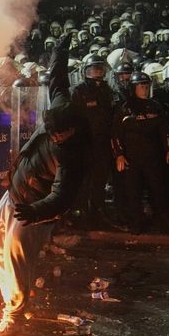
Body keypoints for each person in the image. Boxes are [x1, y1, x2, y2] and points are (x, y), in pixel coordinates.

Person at [0, 39, 83, 325]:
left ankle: (14, 313)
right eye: (48, 129)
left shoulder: (73, 155)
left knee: (16, 252)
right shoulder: (60, 106)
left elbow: (62, 197)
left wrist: (36, 212)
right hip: (16, 191)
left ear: (70, 131)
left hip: (35, 204)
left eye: (57, 135)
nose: (51, 135)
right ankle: (12, 301)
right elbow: (57, 77)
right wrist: (60, 51)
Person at [113, 71, 169, 233]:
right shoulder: (125, 108)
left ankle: (162, 220)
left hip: (153, 156)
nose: (145, 89)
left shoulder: (156, 106)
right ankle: (136, 222)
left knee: (158, 190)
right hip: (132, 158)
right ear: (134, 88)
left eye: (147, 86)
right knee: (133, 191)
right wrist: (119, 154)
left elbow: (164, 131)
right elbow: (116, 134)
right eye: (141, 86)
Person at [69, 53, 115, 228]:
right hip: (84, 144)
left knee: (100, 179)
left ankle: (98, 211)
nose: (97, 72)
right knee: (83, 181)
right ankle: (80, 213)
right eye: (93, 69)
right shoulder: (78, 91)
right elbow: (71, 119)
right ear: (85, 71)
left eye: (100, 68)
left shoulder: (107, 90)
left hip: (103, 143)